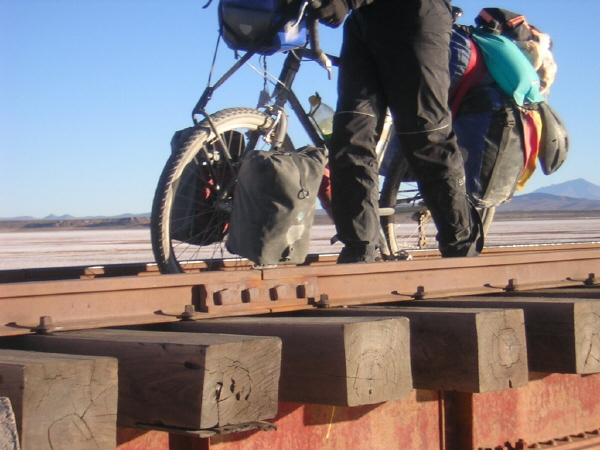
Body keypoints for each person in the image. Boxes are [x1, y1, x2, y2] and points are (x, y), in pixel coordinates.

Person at [313, 0, 483, 263]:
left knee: (426, 136)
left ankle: (461, 250)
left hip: (416, 16)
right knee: (350, 138)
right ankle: (360, 249)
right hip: (362, 22)